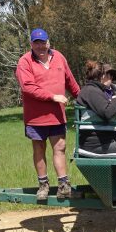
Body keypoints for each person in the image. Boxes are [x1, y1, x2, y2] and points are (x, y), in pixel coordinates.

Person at [15, 28, 80, 200]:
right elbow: (28, 87)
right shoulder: (25, 62)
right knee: (39, 149)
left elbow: (70, 80)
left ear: (48, 42)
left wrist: (81, 98)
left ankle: (63, 185)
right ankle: (43, 185)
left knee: (59, 148)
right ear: (31, 44)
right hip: (35, 118)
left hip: (57, 115)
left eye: (43, 42)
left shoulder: (59, 57)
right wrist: (53, 97)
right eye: (36, 43)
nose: (40, 46)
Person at [76, 61, 116, 154]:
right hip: (97, 145)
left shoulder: (91, 90)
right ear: (102, 76)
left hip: (100, 141)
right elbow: (107, 112)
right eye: (109, 75)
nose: (111, 78)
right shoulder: (92, 91)